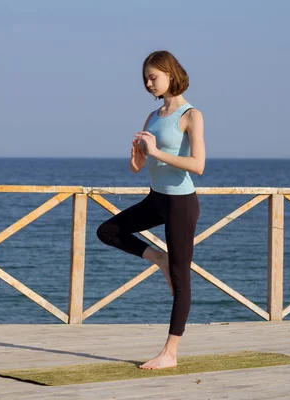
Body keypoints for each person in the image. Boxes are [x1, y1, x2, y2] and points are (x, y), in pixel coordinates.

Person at [96, 50, 205, 370]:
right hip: (155, 198)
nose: (147, 83)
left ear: (171, 74)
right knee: (108, 231)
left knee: (180, 278)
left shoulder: (191, 115)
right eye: (145, 77)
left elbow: (197, 165)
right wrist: (138, 156)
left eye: (153, 77)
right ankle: (158, 257)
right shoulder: (153, 116)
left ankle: (170, 353)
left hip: (181, 204)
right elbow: (139, 167)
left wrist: (156, 150)